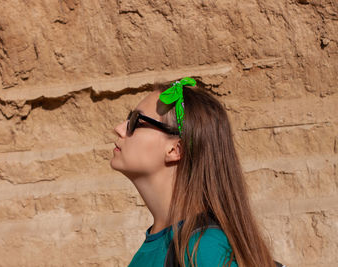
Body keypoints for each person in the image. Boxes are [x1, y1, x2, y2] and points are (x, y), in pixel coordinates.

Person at [110, 78, 275, 267]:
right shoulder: (160, 244)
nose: (119, 129)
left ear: (175, 150)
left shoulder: (204, 249)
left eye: (135, 122)